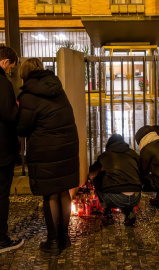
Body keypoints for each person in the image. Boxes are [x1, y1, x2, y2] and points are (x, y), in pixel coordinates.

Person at [17, 58, 79, 255]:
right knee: (63, 192)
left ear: (24, 74)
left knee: (50, 194)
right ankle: (65, 238)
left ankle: (52, 241)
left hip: (45, 150)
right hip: (67, 148)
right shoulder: (58, 90)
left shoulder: (28, 96)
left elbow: (23, 128)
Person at [0, 45, 25, 254]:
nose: (9, 72)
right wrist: (17, 105)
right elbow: (9, 115)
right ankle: (1, 240)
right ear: (5, 62)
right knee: (1, 195)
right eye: (10, 68)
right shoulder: (2, 83)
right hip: (0, 151)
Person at [89, 134, 141, 226]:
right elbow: (142, 170)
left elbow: (92, 175)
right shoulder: (133, 154)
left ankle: (108, 214)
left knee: (97, 179)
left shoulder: (104, 156)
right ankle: (129, 212)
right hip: (135, 197)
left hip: (114, 198)